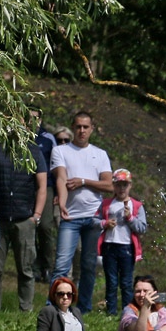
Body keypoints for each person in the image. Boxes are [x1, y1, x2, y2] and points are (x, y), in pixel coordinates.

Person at [49, 111, 113, 313]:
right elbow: (61, 177)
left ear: (92, 129)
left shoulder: (100, 154)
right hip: (71, 216)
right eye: (78, 127)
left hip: (94, 216)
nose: (82, 131)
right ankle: (53, 306)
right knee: (62, 263)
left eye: (86, 127)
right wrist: (62, 203)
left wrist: (84, 181)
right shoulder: (61, 151)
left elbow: (109, 185)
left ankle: (84, 307)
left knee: (88, 264)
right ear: (73, 128)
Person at [0, 137, 47, 312]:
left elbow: (42, 186)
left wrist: (36, 215)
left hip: (24, 219)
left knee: (26, 269)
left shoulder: (34, 151)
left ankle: (26, 310)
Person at [96, 169, 146, 315]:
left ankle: (128, 311)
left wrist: (130, 218)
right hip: (109, 245)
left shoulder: (136, 205)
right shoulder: (106, 204)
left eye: (125, 185)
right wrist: (105, 223)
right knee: (111, 281)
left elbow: (142, 227)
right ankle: (111, 312)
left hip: (127, 247)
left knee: (126, 282)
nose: (121, 188)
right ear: (113, 186)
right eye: (118, 185)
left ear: (130, 186)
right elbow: (94, 221)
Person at [30, 108, 58, 282]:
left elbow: (56, 166)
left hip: (46, 187)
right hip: (26, 187)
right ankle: (33, 267)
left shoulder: (48, 139)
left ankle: (47, 266)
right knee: (30, 228)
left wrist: (56, 190)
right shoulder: (18, 137)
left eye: (35, 118)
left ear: (40, 119)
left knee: (45, 227)